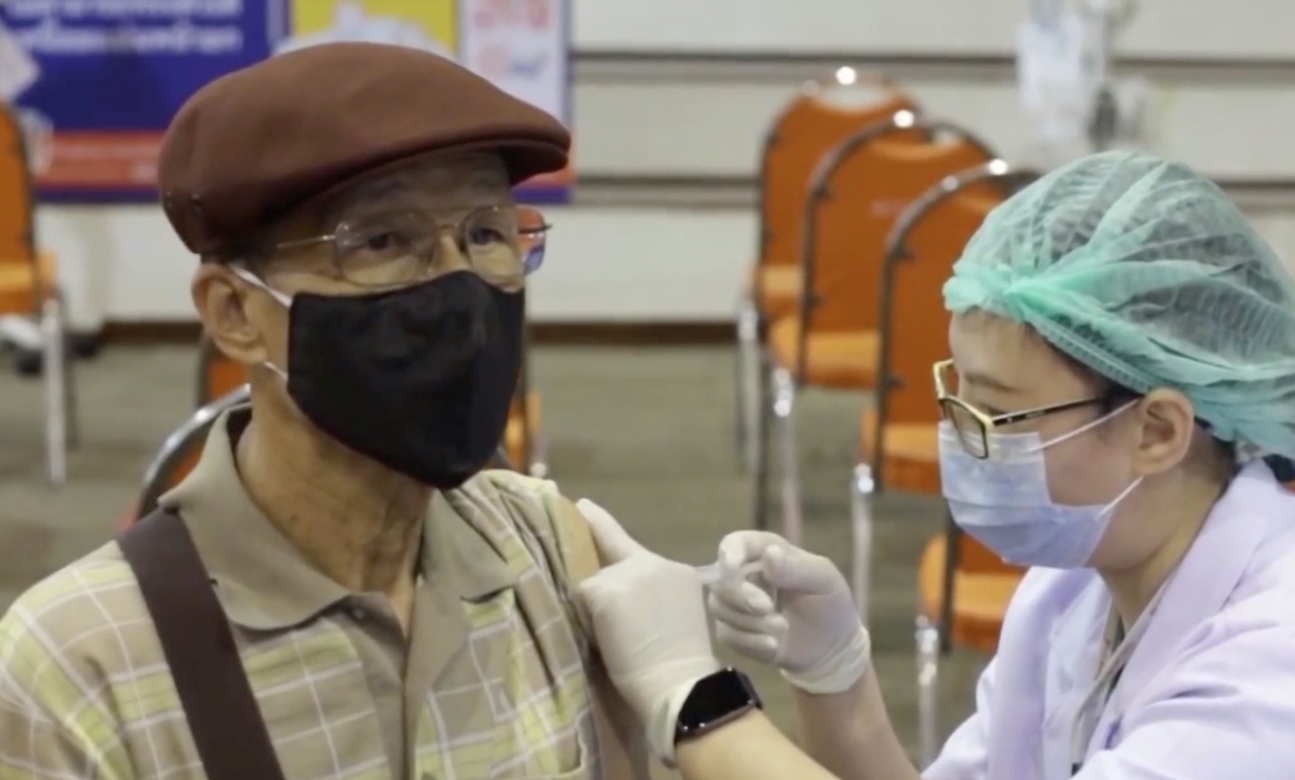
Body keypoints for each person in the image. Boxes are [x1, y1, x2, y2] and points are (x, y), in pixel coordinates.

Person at [0, 42, 647, 780]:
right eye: (382, 240)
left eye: (486, 233)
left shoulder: (547, 553)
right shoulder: (80, 667)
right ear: (235, 313)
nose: (459, 292)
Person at [575, 150, 1295, 780]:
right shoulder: (1069, 595)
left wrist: (695, 699)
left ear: (1158, 431)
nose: (962, 442)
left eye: (999, 415)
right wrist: (835, 676)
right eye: (959, 400)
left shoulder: (1266, 670)